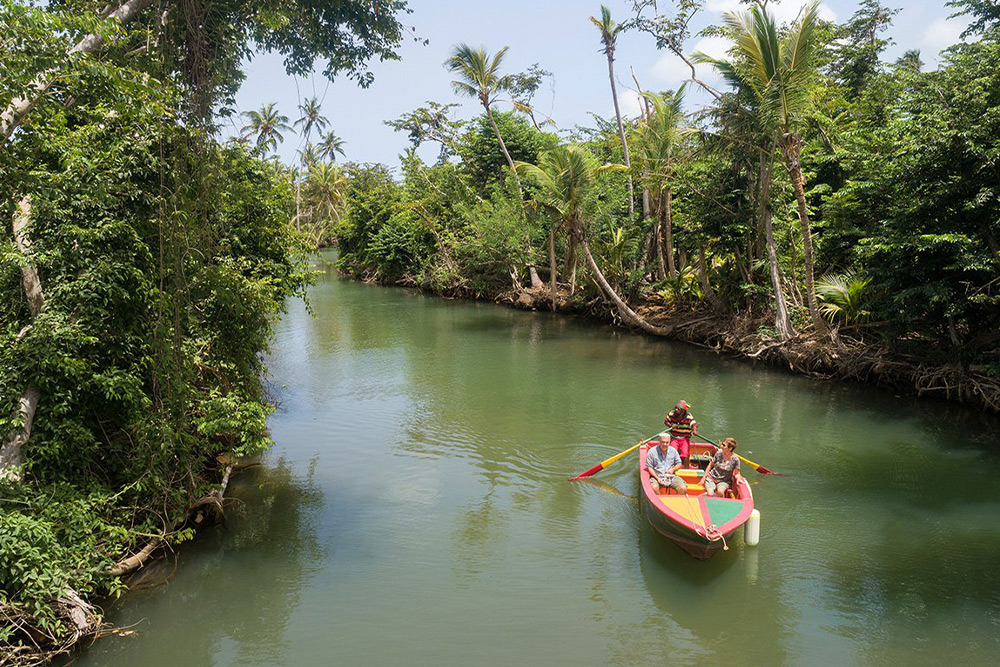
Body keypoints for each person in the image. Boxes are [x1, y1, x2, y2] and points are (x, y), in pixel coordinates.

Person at [663, 400, 697, 468]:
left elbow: (694, 424)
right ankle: (670, 468)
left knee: (685, 454)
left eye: (678, 409)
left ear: (683, 411)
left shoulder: (688, 416)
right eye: (676, 408)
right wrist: (671, 426)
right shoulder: (671, 414)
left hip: (684, 438)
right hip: (674, 437)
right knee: (672, 451)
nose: (676, 410)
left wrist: (694, 430)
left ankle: (686, 469)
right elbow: (666, 422)